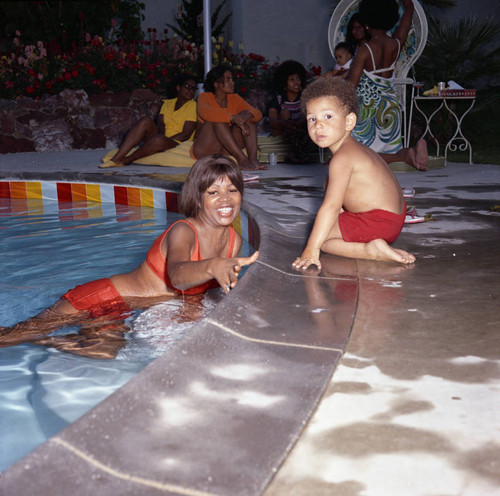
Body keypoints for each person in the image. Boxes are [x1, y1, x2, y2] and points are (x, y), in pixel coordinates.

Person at [0, 155, 259, 358]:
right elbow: (179, 276)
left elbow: (196, 293)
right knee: (10, 337)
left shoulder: (233, 241)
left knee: (103, 353)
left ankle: (43, 341)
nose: (225, 199)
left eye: (232, 190)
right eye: (213, 192)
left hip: (126, 310)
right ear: (199, 200)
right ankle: (37, 338)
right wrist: (214, 266)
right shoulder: (184, 231)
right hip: (99, 298)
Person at [292, 77, 415, 270]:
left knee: (322, 240)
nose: (318, 125)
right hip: (394, 220)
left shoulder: (342, 158)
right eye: (312, 119)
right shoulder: (355, 149)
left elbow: (331, 207)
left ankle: (370, 251)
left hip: (378, 222)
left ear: (349, 121)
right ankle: (370, 242)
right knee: (329, 186)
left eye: (328, 117)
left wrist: (311, 249)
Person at [347, 0, 428, 171]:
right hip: (390, 106)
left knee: (359, 155)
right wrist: (409, 6)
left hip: (367, 109)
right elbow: (405, 23)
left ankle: (405, 155)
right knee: (387, 149)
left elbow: (350, 87)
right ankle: (408, 151)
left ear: (366, 24)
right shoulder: (396, 44)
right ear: (390, 19)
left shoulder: (365, 50)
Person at [100, 73, 198, 168]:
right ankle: (117, 158)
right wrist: (157, 140)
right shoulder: (167, 103)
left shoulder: (193, 106)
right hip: (160, 139)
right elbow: (161, 125)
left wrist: (162, 141)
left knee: (159, 140)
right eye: (187, 86)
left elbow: (186, 134)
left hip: (177, 143)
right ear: (178, 88)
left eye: (194, 89)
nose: (191, 91)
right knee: (145, 121)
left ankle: (128, 159)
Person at [192, 65, 266, 171]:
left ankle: (253, 159)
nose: (233, 83)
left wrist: (247, 116)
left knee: (249, 117)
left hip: (227, 149)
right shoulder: (204, 97)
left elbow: (258, 114)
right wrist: (233, 118)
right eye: (228, 79)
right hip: (206, 148)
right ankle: (242, 160)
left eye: (232, 79)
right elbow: (206, 113)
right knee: (217, 121)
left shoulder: (234, 98)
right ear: (216, 84)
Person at [266, 59, 312, 163]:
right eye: (292, 79)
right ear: (284, 83)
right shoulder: (278, 100)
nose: (296, 82)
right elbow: (273, 121)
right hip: (285, 129)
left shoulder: (305, 99)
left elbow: (308, 117)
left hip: (301, 130)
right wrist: (284, 121)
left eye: (298, 79)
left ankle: (296, 155)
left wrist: (296, 122)